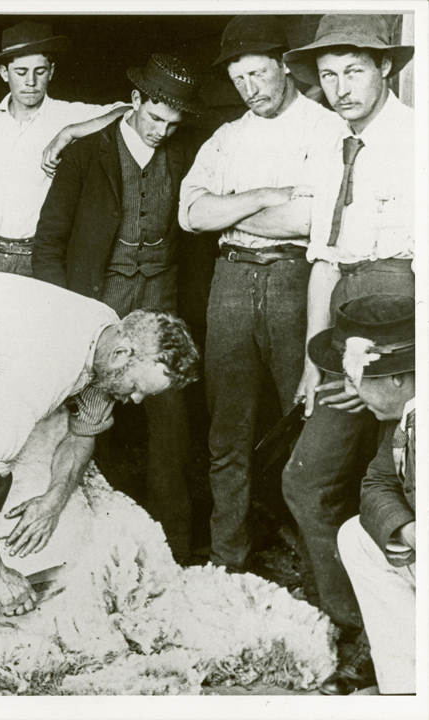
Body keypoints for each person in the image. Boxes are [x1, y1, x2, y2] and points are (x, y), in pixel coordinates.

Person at [0, 270, 200, 659]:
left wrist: (54, 499)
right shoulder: (52, 364)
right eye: (137, 387)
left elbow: (82, 433)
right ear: (124, 355)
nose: (137, 400)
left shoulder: (108, 341)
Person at [245, 14, 414, 694]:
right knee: (307, 481)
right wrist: (316, 364)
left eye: (355, 70)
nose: (340, 86)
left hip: (403, 323)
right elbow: (322, 264)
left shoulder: (416, 141)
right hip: (344, 321)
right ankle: (354, 634)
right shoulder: (329, 147)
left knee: (398, 479)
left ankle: (399, 635)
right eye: (329, 73)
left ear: (386, 70)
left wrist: (399, 365)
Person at [177, 15, 346, 573]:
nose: (251, 90)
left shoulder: (324, 128)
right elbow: (192, 214)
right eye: (239, 80)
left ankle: (313, 567)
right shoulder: (229, 136)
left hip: (296, 278)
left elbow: (313, 219)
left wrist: (238, 209)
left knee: (307, 418)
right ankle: (229, 560)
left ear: (284, 65)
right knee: (227, 428)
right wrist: (266, 195)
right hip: (229, 280)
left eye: (258, 75)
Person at [33, 54, 204, 559]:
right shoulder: (88, 153)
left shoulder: (186, 150)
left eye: (173, 124)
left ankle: (174, 546)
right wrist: (61, 312)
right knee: (92, 411)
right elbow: (49, 241)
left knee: (170, 414)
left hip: (163, 296)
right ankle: (93, 542)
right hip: (100, 297)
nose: (161, 131)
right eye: (154, 119)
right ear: (133, 102)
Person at [0, 20, 129, 275]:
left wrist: (69, 133)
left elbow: (131, 111)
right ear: (4, 73)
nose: (31, 81)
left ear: (52, 71)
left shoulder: (67, 115)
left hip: (41, 257)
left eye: (40, 71)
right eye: (21, 72)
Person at [309, 295, 416, 695]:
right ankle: (404, 686)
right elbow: (376, 484)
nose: (352, 391)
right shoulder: (403, 414)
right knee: (357, 535)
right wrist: (407, 530)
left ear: (395, 378)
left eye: (355, 379)